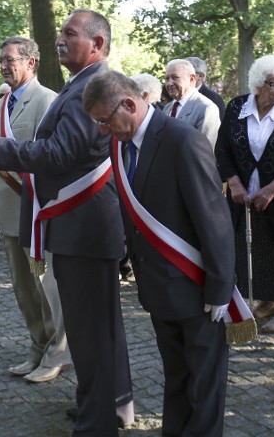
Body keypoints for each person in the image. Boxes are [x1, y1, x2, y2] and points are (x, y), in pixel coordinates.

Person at [0, 9, 135, 434]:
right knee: (94, 325)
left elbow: (60, 154)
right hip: (83, 225)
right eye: (59, 32)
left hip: (86, 226)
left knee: (91, 328)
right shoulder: (80, 85)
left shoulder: (89, 88)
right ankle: (108, 405)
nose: (59, 39)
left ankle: (101, 417)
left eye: (70, 33)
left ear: (97, 44)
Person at [83, 70, 235, 437]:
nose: (104, 130)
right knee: (176, 377)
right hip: (158, 287)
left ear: (131, 104)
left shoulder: (184, 141)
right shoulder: (121, 142)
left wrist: (219, 290)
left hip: (197, 288)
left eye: (105, 121)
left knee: (205, 385)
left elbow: (214, 220)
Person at [0, 35, 70, 384]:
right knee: (23, 289)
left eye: (11, 60)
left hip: (37, 210)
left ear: (31, 63)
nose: (5, 66)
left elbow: (49, 158)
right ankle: (37, 346)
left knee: (45, 286)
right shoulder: (2, 102)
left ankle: (58, 353)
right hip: (9, 209)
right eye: (2, 60)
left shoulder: (48, 101)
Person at [215, 54, 274, 333]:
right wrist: (234, 184)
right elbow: (223, 150)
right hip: (241, 198)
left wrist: (272, 189)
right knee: (251, 249)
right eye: (273, 83)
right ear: (258, 84)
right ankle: (268, 302)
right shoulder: (236, 108)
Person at [163, 58, 220, 151]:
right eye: (167, 78)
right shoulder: (167, 108)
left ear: (192, 79)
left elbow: (204, 154)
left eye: (175, 77)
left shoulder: (207, 108)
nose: (169, 83)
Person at [185, 56, 226, 122]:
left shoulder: (213, 98)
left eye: (186, 74)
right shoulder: (176, 96)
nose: (182, 77)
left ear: (200, 76)